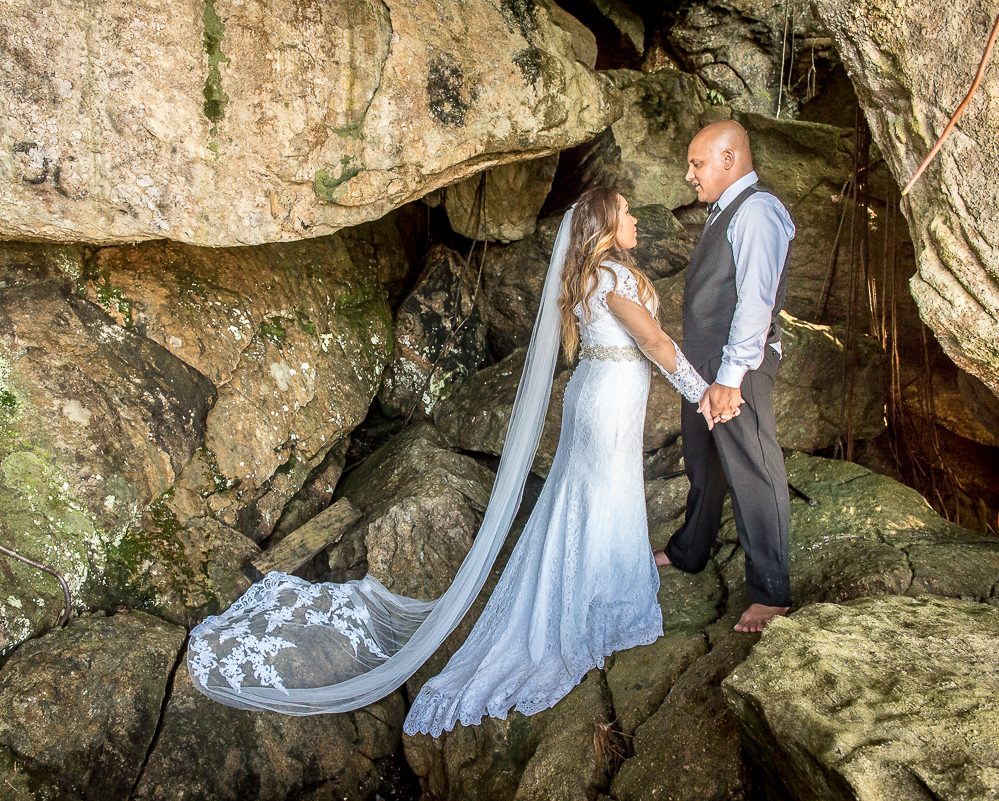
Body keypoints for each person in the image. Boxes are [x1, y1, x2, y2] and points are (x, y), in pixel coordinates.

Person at [185, 188, 709, 736]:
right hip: (608, 399)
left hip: (601, 393)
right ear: (603, 223)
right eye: (623, 211)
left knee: (592, 493)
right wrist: (705, 392)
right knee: (600, 492)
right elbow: (655, 343)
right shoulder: (610, 278)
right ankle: (587, 602)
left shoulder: (591, 276)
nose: (632, 217)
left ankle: (593, 583)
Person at [653, 120, 795, 633]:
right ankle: (691, 549)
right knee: (703, 459)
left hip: (738, 367)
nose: (690, 175)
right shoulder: (724, 211)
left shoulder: (758, 210)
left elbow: (756, 301)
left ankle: (771, 592)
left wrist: (731, 377)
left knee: (753, 468)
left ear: (730, 159)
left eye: (697, 163)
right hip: (703, 366)